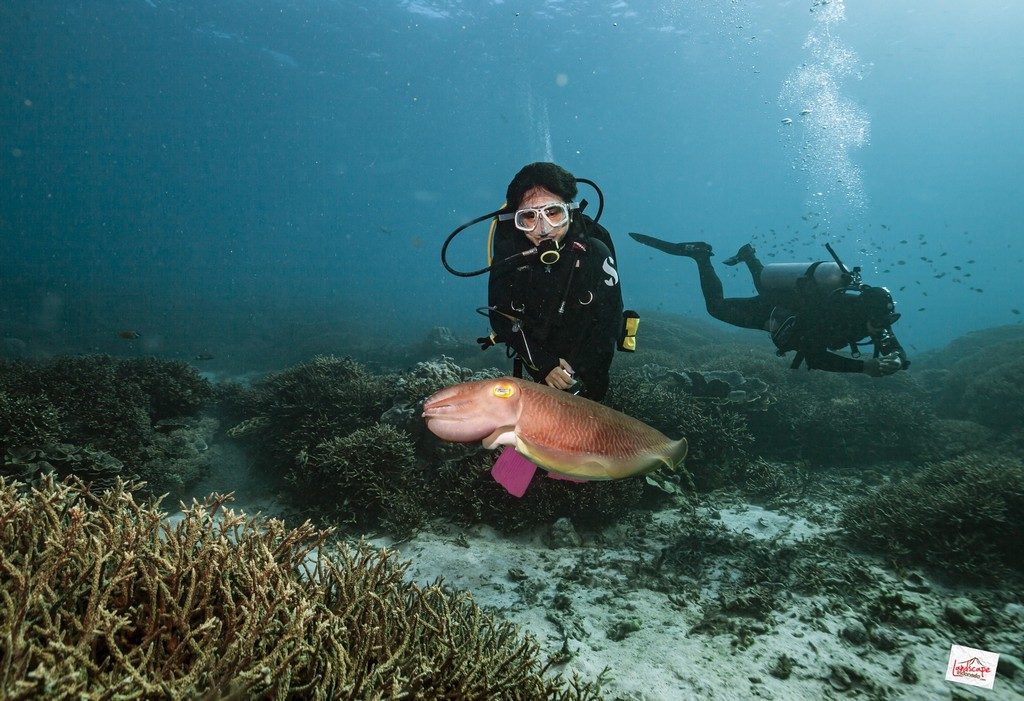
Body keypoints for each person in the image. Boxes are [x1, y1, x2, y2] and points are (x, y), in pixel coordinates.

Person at [629, 234, 909, 376]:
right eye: (880, 323)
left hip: (783, 303)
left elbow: (891, 343)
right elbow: (816, 358)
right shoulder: (833, 315)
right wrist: (864, 368)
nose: (882, 329)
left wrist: (896, 358)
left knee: (764, 284)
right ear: (863, 313)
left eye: (887, 323)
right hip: (771, 313)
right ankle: (701, 256)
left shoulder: (874, 318)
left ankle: (750, 257)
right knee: (716, 308)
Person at [485, 163, 624, 400]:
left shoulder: (596, 252)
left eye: (553, 213)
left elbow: (610, 319)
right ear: (516, 218)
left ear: (569, 211)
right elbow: (499, 315)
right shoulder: (510, 254)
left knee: (594, 405)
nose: (543, 229)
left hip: (588, 351)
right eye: (529, 216)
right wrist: (544, 364)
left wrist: (580, 370)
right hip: (537, 355)